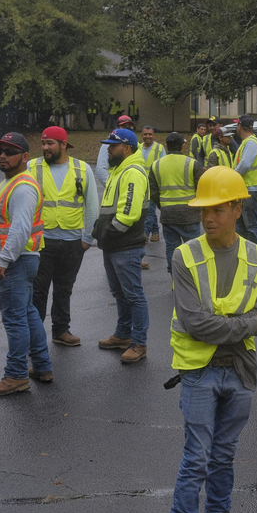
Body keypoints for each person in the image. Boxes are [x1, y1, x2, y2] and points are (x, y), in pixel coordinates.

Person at [166, 165, 257, 513]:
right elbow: (197, 324)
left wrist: (236, 324)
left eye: (217, 208)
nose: (207, 218)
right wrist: (246, 324)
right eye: (203, 209)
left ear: (237, 207)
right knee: (196, 459)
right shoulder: (185, 255)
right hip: (199, 371)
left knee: (224, 456)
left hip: (240, 372)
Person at [0, 133, 52, 397]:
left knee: (15, 320)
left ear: (24, 157)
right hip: (17, 261)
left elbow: (20, 230)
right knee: (28, 313)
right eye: (0, 150)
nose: (2, 155)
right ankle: (42, 366)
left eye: (9, 151)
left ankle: (16, 375)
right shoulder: (11, 182)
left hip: (15, 263)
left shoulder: (22, 187)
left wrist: (3, 260)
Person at [28, 126, 98, 347]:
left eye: (50, 143)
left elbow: (92, 204)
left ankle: (61, 330)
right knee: (38, 291)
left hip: (72, 242)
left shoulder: (82, 168)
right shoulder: (32, 167)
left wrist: (87, 237)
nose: (45, 148)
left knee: (64, 289)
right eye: (43, 143)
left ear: (64, 144)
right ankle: (35, 335)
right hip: (41, 241)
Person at [93, 128, 150, 364]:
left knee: (133, 295)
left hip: (124, 244)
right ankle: (123, 335)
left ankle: (139, 343)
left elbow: (129, 213)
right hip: (114, 244)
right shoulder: (119, 170)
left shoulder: (133, 172)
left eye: (112, 146)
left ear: (126, 148)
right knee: (120, 294)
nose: (108, 149)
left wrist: (107, 232)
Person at [149, 132, 204, 273]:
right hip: (190, 214)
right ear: (183, 146)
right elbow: (202, 188)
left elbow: (153, 192)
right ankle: (194, 277)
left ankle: (175, 278)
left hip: (168, 214)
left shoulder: (156, 165)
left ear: (166, 146)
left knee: (172, 248)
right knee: (194, 249)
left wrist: (163, 206)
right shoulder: (192, 163)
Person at [232, 115, 257, 245]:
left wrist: (232, 176)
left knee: (250, 226)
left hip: (249, 188)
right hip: (245, 188)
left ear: (240, 126)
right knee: (241, 226)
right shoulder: (248, 142)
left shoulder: (251, 143)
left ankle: (255, 255)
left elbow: (245, 164)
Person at [140, 126, 165, 243]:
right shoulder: (138, 148)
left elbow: (164, 166)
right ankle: (155, 232)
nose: (147, 136)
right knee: (148, 210)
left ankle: (144, 233)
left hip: (153, 186)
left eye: (150, 134)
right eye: (145, 134)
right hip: (140, 184)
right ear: (141, 135)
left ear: (153, 135)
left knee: (148, 210)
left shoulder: (159, 148)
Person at [94, 115, 137, 185]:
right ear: (117, 128)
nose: (128, 128)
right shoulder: (109, 144)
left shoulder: (136, 144)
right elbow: (101, 170)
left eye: (130, 125)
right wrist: (112, 187)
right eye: (124, 126)